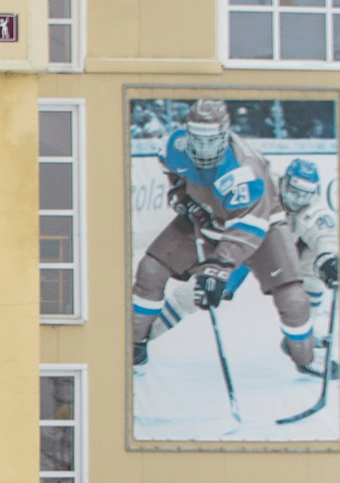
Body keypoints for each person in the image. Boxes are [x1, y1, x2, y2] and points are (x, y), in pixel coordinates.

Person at [131, 97, 325, 377]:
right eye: (196, 139)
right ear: (187, 134)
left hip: (261, 229)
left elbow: (247, 229)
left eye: (211, 140)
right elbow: (169, 167)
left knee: (293, 299)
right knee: (150, 269)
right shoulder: (175, 146)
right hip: (209, 218)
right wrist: (180, 193)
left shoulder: (244, 168)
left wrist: (218, 268)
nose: (203, 148)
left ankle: (305, 357)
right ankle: (133, 348)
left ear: (224, 136)